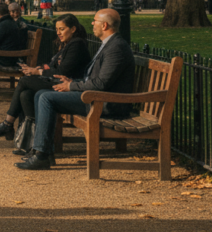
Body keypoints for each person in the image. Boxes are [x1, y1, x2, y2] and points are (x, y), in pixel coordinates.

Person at [18, 9, 136, 170]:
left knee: (46, 97)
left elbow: (101, 84)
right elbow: (95, 79)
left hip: (107, 102)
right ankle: (44, 152)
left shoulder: (116, 47)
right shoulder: (109, 44)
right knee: (40, 94)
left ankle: (42, 155)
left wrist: (71, 86)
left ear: (105, 25)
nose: (92, 24)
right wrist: (73, 81)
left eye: (95, 21)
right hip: (97, 97)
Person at [0, 14, 91, 154]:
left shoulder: (77, 44)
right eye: (57, 29)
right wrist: (37, 69)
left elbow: (62, 70)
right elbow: (52, 66)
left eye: (62, 29)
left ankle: (8, 124)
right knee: (25, 94)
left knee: (24, 81)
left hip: (68, 86)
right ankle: (29, 143)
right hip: (57, 82)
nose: (58, 32)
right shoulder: (67, 44)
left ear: (73, 29)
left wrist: (37, 72)